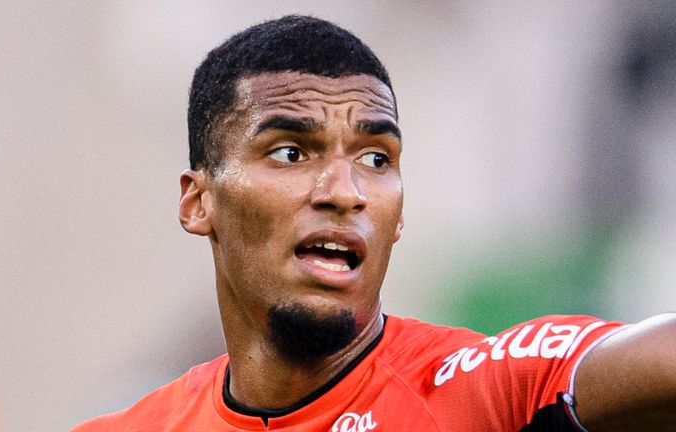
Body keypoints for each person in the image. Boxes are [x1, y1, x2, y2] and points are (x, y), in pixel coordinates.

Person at [73, 15, 675, 431]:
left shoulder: (484, 392)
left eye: (375, 159)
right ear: (197, 202)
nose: (346, 191)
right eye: (290, 153)